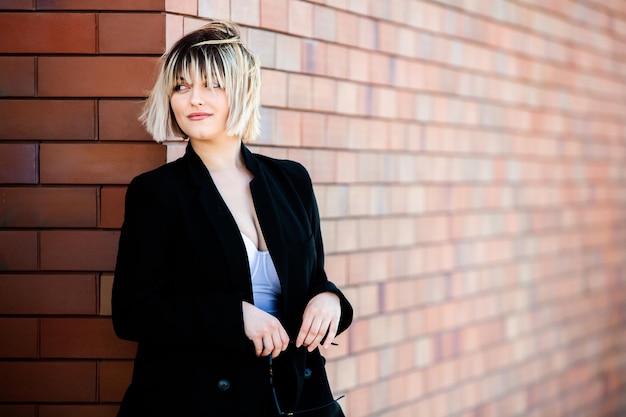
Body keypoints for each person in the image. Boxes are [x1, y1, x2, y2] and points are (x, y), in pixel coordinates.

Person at [111, 20, 353, 416]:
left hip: (297, 399)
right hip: (198, 403)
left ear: (242, 91)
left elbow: (313, 279)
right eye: (182, 86)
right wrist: (233, 315)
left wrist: (330, 300)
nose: (194, 99)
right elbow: (133, 313)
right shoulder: (156, 192)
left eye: (213, 85)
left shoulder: (291, 180)